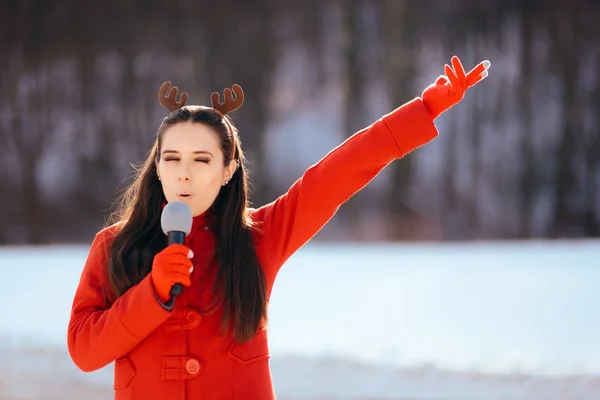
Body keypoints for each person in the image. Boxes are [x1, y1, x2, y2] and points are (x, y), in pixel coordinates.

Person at [67, 55, 490, 399]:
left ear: (228, 169)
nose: (184, 174)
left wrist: (425, 109)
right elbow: (84, 350)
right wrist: (152, 292)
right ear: (156, 166)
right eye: (172, 158)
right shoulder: (115, 246)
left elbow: (337, 174)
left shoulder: (260, 238)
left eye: (202, 160)